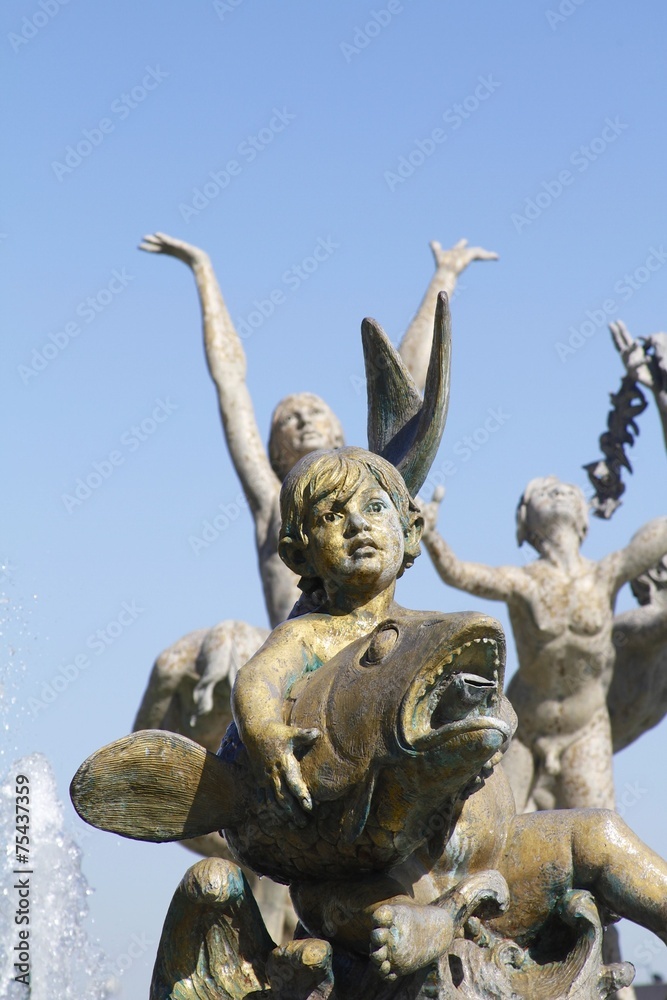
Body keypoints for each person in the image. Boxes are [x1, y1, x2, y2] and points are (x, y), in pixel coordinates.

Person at [421, 476, 667, 812]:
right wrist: (430, 533)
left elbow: (659, 535)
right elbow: (458, 574)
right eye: (543, 491)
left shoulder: (606, 573)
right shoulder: (520, 581)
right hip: (525, 725)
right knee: (498, 826)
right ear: (525, 521)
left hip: (586, 726)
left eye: (569, 491)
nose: (559, 490)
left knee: (598, 826)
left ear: (583, 519)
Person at [230, 445, 423, 812]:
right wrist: (264, 733)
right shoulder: (308, 634)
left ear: (410, 531)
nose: (358, 524)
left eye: (375, 507)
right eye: (332, 516)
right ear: (299, 555)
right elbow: (257, 680)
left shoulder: (426, 632)